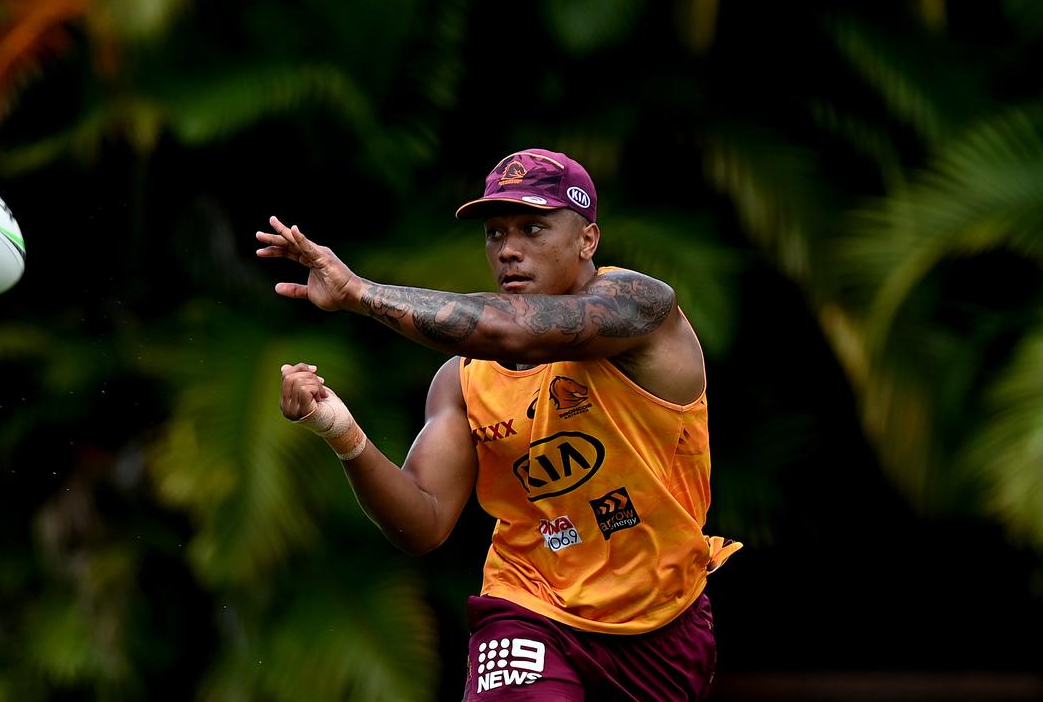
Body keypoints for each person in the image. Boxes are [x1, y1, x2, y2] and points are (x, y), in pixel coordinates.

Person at [255, 148, 739, 701]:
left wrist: (359, 293)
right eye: (495, 234)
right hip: (527, 607)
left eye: (533, 228)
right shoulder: (462, 380)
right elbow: (424, 523)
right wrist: (340, 432)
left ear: (587, 240)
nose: (508, 249)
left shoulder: (642, 308)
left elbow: (518, 332)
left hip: (664, 623)